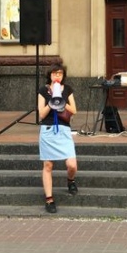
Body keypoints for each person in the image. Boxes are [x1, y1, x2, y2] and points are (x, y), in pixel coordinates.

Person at [38, 63, 78, 213]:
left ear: (63, 76)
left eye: (60, 74)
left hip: (64, 130)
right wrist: (51, 102)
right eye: (55, 73)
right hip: (48, 130)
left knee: (72, 164)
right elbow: (41, 114)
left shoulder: (67, 89)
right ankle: (49, 199)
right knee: (48, 165)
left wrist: (60, 100)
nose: (57, 76)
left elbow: (74, 110)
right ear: (50, 75)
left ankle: (71, 180)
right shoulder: (43, 90)